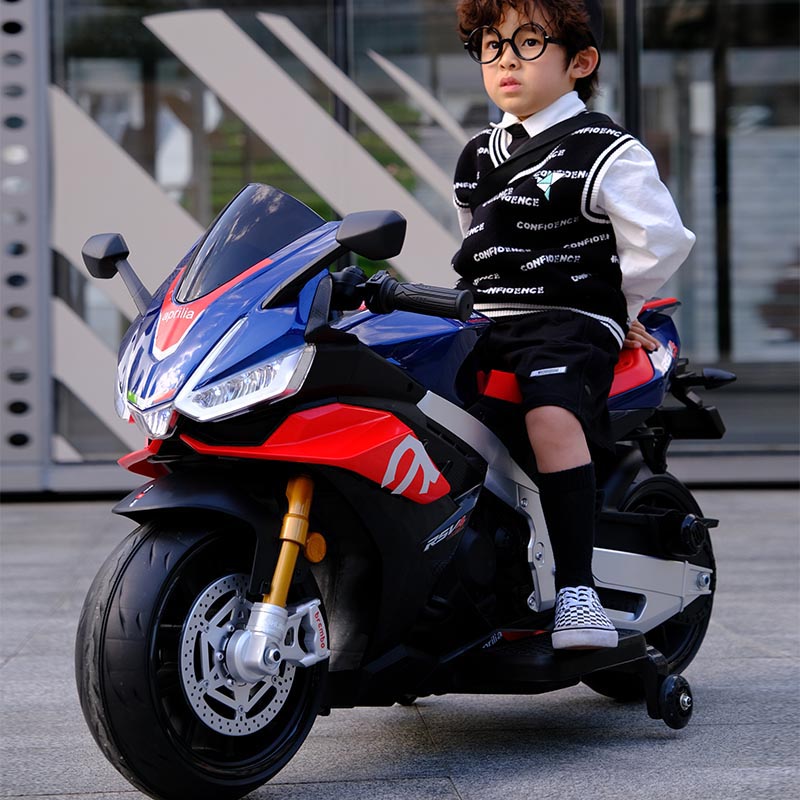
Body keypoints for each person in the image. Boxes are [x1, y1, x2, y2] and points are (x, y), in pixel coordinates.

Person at [452, 0, 695, 649]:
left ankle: (579, 592)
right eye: (491, 44)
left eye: (528, 42)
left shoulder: (606, 148)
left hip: (567, 318)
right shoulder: (476, 154)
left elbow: (661, 239)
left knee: (550, 418)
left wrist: (622, 306)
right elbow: (473, 240)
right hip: (485, 317)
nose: (505, 59)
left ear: (580, 61)